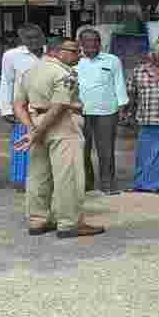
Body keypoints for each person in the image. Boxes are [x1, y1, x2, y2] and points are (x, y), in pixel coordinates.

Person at [13, 38, 105, 239]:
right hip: (63, 125)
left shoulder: (30, 72)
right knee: (68, 177)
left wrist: (31, 129)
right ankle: (69, 223)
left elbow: (18, 105)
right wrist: (36, 132)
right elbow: (59, 106)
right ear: (56, 52)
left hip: (37, 122)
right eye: (74, 50)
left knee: (38, 175)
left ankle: (38, 220)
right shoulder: (63, 73)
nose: (79, 54)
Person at [76, 28, 128, 195]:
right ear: (81, 44)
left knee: (106, 150)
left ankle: (108, 184)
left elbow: (119, 85)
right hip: (79, 111)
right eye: (88, 41)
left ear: (100, 43)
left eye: (96, 41)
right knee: (81, 149)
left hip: (107, 111)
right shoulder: (74, 61)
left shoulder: (112, 60)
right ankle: (86, 183)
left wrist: (122, 107)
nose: (92, 44)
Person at [126, 43, 159, 193]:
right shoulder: (139, 71)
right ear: (154, 55)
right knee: (145, 155)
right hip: (146, 119)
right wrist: (128, 114)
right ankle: (142, 185)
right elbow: (131, 94)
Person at [0, 24, 45, 192]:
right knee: (23, 144)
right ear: (22, 40)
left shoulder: (52, 54)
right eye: (29, 38)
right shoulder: (11, 56)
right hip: (23, 110)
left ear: (43, 37)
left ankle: (44, 181)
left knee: (45, 146)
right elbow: (7, 82)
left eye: (37, 37)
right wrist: (6, 109)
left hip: (49, 110)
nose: (34, 41)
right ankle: (23, 181)